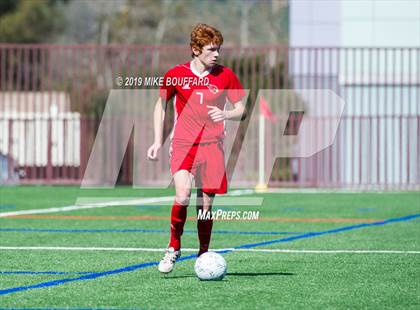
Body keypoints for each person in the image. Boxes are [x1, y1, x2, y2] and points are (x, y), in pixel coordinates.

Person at [147, 23, 246, 273]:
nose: (217, 55)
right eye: (212, 50)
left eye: (219, 49)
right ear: (195, 49)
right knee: (182, 195)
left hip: (212, 146)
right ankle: (173, 247)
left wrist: (226, 114)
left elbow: (242, 109)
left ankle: (203, 253)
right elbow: (161, 105)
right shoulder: (175, 74)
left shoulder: (225, 75)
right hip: (183, 144)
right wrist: (158, 140)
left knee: (205, 207)